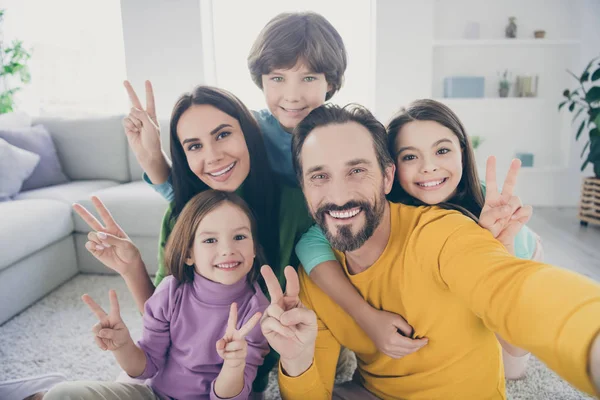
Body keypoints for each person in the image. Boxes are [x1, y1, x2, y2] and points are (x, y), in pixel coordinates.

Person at [259, 104, 600, 399]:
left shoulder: (444, 232)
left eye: (357, 170)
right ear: (303, 187)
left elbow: (516, 290)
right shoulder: (314, 275)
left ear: (387, 177)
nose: (338, 195)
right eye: (319, 176)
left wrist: (591, 337)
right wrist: (297, 359)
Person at [295, 99, 542, 379]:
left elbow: (517, 337)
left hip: (519, 252)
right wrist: (364, 316)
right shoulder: (388, 205)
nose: (429, 167)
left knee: (511, 365)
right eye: (410, 157)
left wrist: (501, 245)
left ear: (462, 151)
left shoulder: (490, 206)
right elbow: (310, 242)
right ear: (392, 168)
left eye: (442, 150)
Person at [45, 190, 269, 400]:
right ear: (189, 254)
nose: (227, 249)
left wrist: (234, 364)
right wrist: (122, 346)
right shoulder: (171, 291)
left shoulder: (258, 310)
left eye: (239, 237)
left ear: (254, 248)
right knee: (62, 393)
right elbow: (145, 367)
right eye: (210, 240)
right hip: (155, 395)